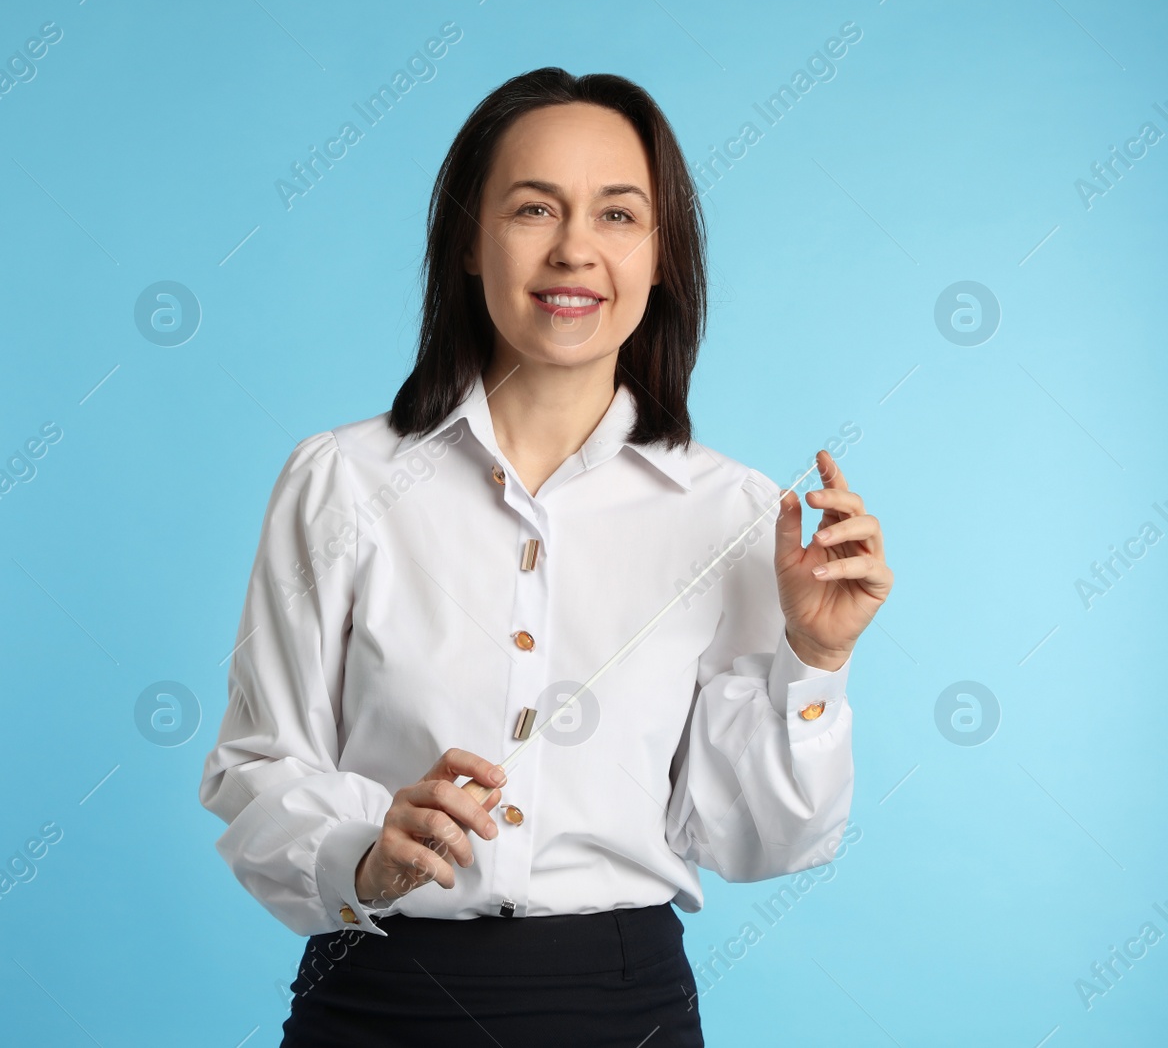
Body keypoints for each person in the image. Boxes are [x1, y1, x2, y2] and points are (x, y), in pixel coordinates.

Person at [198, 66, 893, 1047]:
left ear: (661, 258)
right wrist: (365, 854)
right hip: (375, 999)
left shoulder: (735, 511)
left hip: (620, 1006)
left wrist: (814, 660)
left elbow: (760, 840)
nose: (575, 248)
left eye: (618, 214)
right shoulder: (339, 481)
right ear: (468, 245)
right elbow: (256, 763)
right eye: (533, 208)